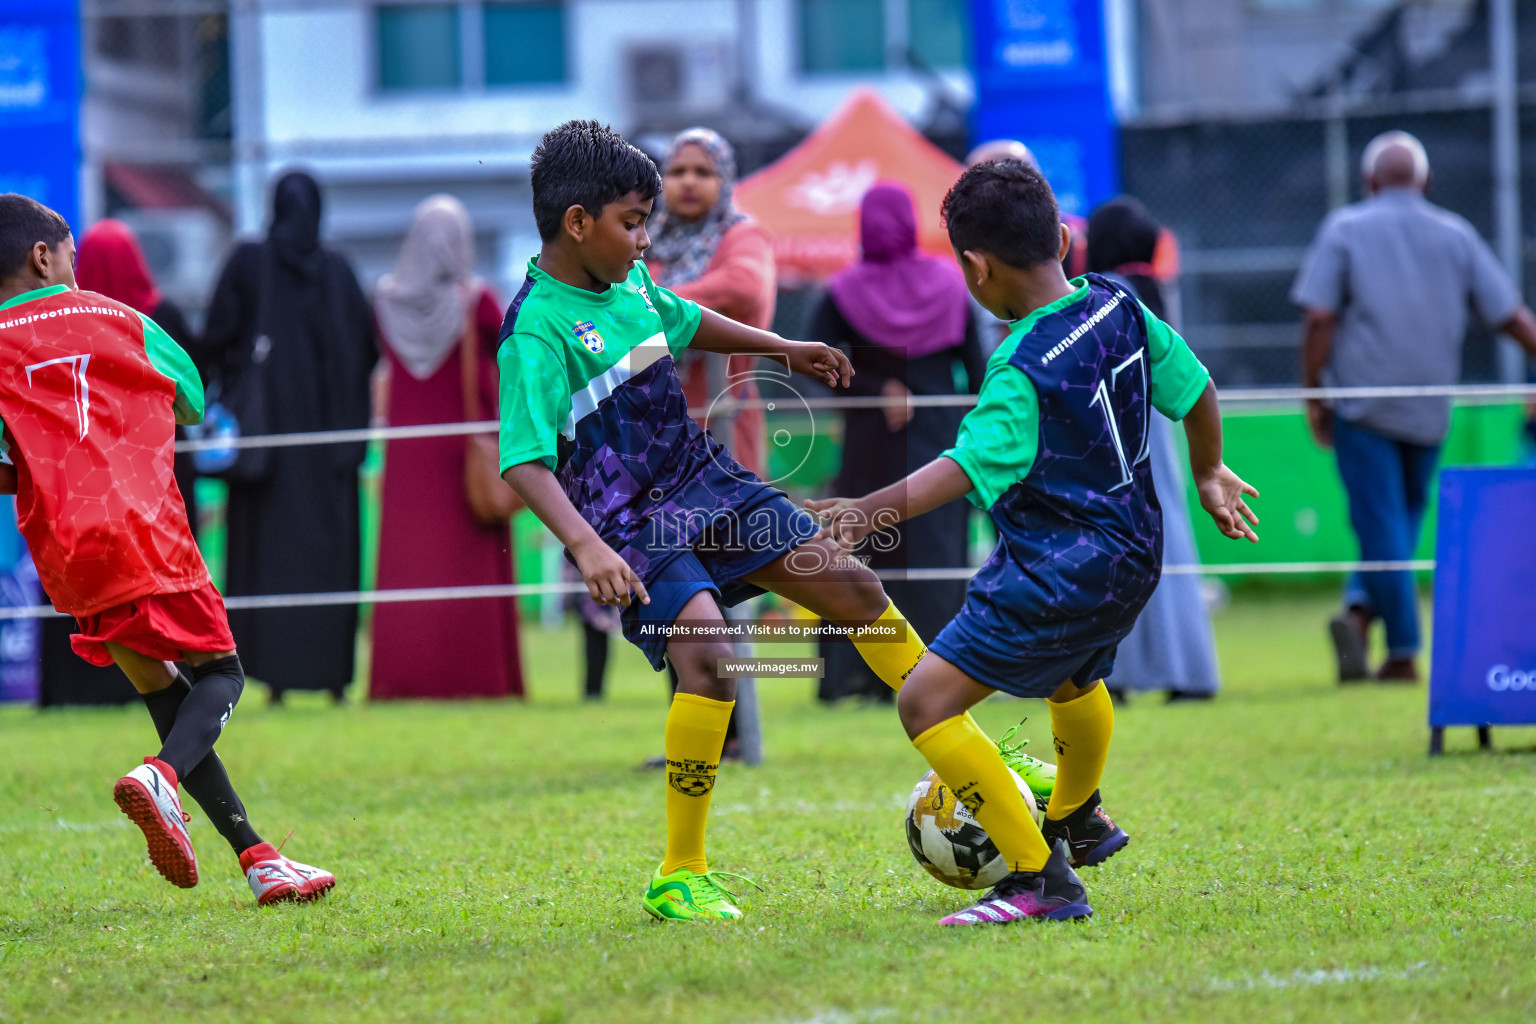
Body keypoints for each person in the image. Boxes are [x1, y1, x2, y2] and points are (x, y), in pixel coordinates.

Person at [496, 121, 930, 923]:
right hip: (630, 522)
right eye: (633, 223)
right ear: (577, 222)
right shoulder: (534, 332)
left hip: (706, 483)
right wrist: (586, 546)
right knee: (712, 661)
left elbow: (688, 320)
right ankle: (681, 872)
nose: (645, 240)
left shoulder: (627, 286)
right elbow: (522, 459)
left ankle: (956, 736)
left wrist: (785, 348)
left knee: (855, 589)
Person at [810, 160, 1259, 926]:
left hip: (1056, 571)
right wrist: (1210, 470)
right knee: (1074, 680)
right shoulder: (1119, 303)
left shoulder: (1020, 366)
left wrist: (864, 513)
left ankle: (1036, 876)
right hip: (1134, 555)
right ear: (1060, 236)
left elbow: (967, 464)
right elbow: (1196, 385)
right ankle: (1080, 817)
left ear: (975, 267)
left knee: (924, 703)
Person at [0, 193, 334, 905]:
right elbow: (189, 401)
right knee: (224, 675)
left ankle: (259, 857)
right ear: (42, 258)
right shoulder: (125, 320)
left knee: (165, 691)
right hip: (144, 529)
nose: (74, 268)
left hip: (64, 550)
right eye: (69, 257)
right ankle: (161, 776)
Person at [1292, 131, 1536, 683]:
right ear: (1424, 181)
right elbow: (1511, 316)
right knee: (1394, 524)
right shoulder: (1458, 234)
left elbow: (1318, 320)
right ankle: (1358, 614)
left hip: (1361, 405)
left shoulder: (1346, 228)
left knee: (1381, 525)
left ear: (1369, 181)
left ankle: (1401, 650)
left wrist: (1314, 395)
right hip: (1429, 409)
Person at [203, 171, 377, 703]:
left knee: (267, 562)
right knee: (329, 563)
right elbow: (368, 352)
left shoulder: (248, 264)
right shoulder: (339, 272)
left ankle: (272, 678)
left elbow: (214, 340)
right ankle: (333, 680)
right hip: (328, 457)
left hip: (266, 457)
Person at [808, 182, 985, 702]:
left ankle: (854, 677)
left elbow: (818, 363)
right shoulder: (949, 284)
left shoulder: (843, 290)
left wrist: (869, 386)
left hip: (872, 441)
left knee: (860, 549)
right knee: (928, 550)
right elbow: (976, 372)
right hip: (936, 441)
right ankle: (938, 674)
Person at [642, 127, 778, 751]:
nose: (688, 182)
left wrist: (653, 310)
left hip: (724, 435)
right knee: (672, 590)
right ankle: (694, 738)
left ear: (724, 180)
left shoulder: (741, 236)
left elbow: (744, 289)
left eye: (703, 171)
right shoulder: (652, 243)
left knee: (729, 589)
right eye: (677, 171)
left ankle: (739, 736)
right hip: (656, 440)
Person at [41, 219, 206, 707]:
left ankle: (80, 687)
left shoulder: (67, 322)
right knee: (162, 581)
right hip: (155, 475)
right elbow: (191, 393)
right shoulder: (157, 317)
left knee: (84, 585)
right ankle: (171, 682)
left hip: (74, 478)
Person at [371, 195, 524, 700]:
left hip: (406, 458)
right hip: (466, 455)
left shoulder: (385, 302)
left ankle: (403, 679)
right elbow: (516, 353)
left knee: (409, 563)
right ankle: (478, 679)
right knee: (469, 560)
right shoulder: (475, 300)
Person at [1086, 196, 1222, 702]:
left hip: (1112, 440)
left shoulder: (1107, 296)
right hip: (1160, 437)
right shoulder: (1157, 291)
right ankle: (1189, 671)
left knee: (1111, 554)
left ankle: (1113, 674)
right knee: (1172, 546)